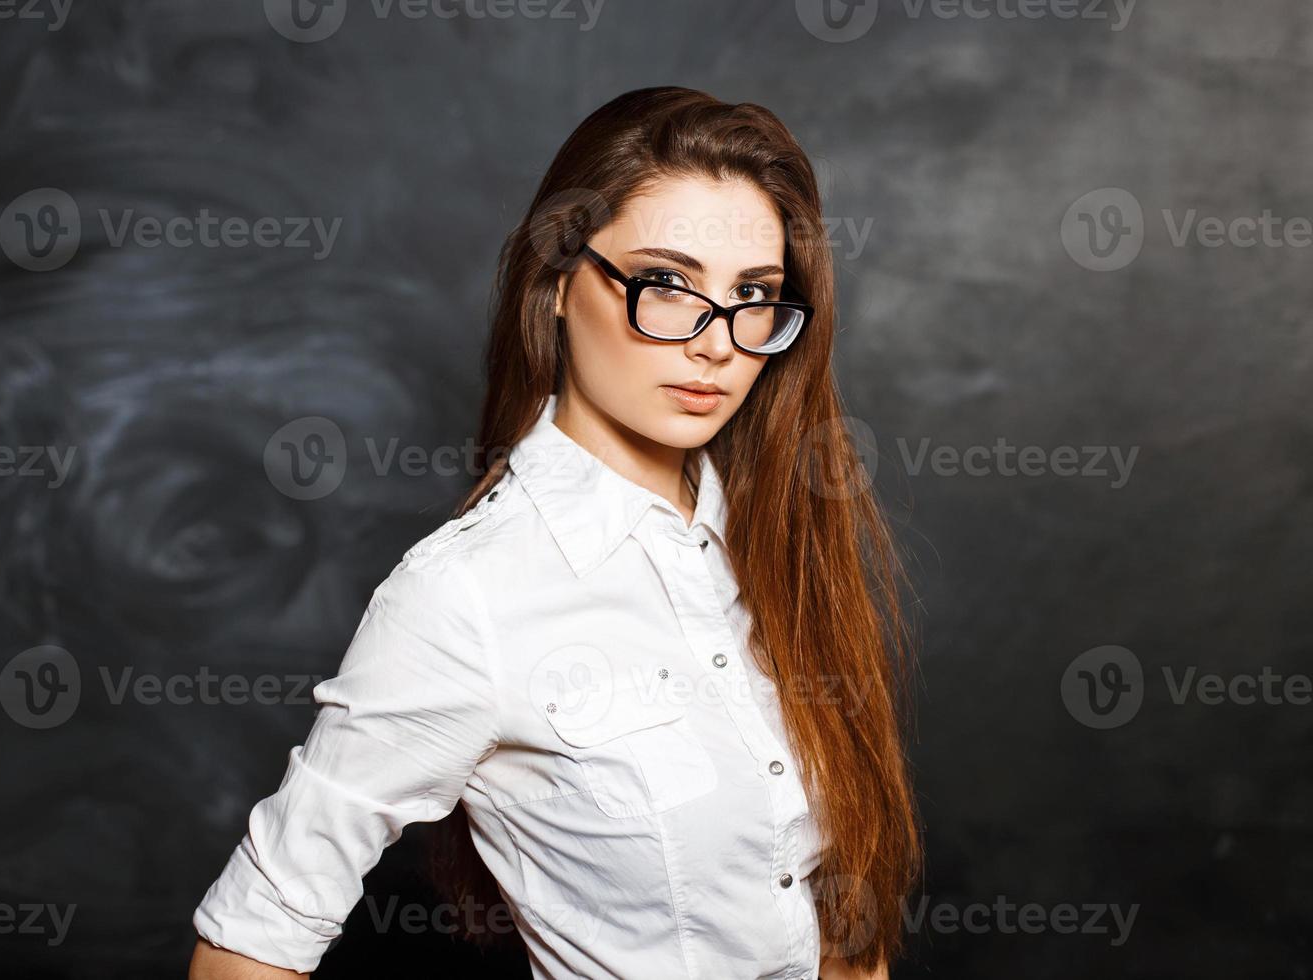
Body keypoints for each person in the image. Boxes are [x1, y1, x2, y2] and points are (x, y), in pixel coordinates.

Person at [188, 85, 920, 980]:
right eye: (667, 284)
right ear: (561, 282)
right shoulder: (465, 596)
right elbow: (254, 937)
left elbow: (839, 917)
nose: (717, 343)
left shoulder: (781, 543)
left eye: (754, 295)